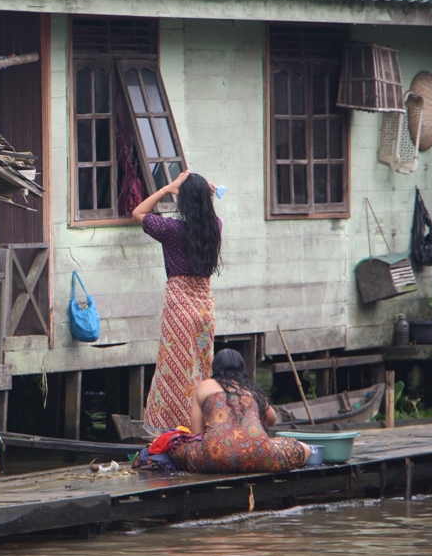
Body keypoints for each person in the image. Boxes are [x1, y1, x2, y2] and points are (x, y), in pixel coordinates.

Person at [132, 170, 221, 433]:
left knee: (175, 368)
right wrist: (205, 193)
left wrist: (167, 188)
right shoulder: (215, 226)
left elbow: (138, 213)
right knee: (202, 367)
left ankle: (174, 427)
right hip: (205, 305)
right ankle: (202, 425)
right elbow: (207, 214)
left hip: (180, 304)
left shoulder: (171, 229)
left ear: (182, 201)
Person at [169, 348, 311, 473]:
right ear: (242, 368)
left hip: (212, 458)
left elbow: (197, 433)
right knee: (306, 449)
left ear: (215, 368)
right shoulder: (250, 389)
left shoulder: (204, 386)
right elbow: (272, 420)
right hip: (260, 455)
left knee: (175, 446)